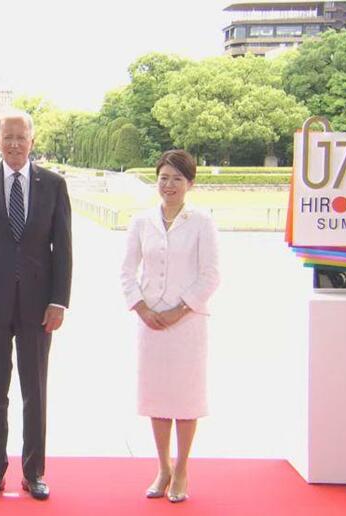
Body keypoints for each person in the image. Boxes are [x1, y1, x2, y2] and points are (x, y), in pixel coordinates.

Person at [0, 110, 72, 501]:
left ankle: (34, 472)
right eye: (8, 138)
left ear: (32, 141)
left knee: (35, 392)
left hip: (40, 308)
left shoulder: (54, 185)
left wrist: (59, 301)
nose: (15, 144)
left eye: (21, 138)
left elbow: (63, 250)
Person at [120, 149, 219, 503]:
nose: (169, 184)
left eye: (177, 178)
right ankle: (162, 467)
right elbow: (127, 272)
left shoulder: (202, 222)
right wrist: (141, 308)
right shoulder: (141, 221)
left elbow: (210, 275)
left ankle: (182, 468)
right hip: (151, 324)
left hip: (187, 324)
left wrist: (180, 310)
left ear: (190, 182)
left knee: (186, 400)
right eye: (164, 177)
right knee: (158, 398)